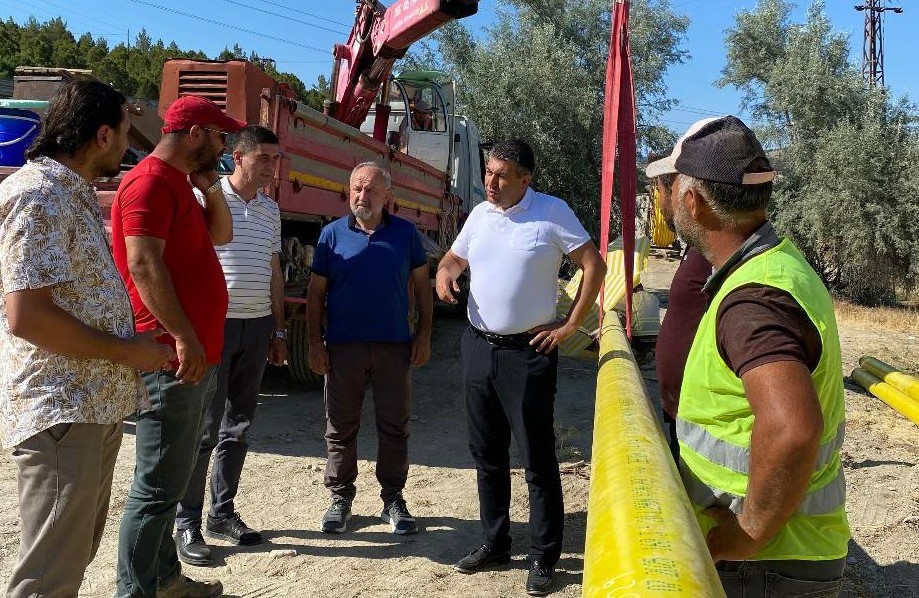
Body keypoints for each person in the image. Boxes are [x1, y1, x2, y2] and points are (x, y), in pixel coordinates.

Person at [646, 116, 849, 596]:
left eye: (670, 186)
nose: (666, 198)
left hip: (767, 565)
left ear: (691, 201)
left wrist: (749, 531)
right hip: (784, 558)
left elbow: (792, 428)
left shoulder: (753, 298)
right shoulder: (776, 264)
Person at [0, 80, 174, 598]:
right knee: (48, 574)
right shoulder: (39, 195)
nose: (127, 144)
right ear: (101, 136)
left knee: (68, 562)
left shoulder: (64, 193)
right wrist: (131, 352)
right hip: (61, 410)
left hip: (88, 407)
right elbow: (27, 315)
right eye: (124, 132)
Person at [436, 139, 606, 597]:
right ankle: (495, 543)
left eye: (501, 176)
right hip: (477, 348)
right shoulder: (480, 214)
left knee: (536, 459)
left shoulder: (551, 212)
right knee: (486, 455)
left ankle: (544, 557)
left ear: (525, 180)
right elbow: (455, 257)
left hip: (527, 353)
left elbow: (594, 264)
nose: (490, 183)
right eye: (488, 172)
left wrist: (571, 324)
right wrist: (445, 273)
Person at [111, 95, 245, 598]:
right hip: (171, 357)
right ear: (193, 133)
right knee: (154, 487)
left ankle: (163, 580)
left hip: (191, 354)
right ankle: (137, 590)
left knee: (170, 479)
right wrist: (184, 337)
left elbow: (223, 235)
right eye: (219, 135)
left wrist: (210, 187)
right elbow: (143, 265)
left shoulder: (180, 184)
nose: (224, 144)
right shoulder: (148, 182)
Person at [174, 125, 285, 565]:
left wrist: (277, 330)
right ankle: (188, 522)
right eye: (265, 160)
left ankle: (222, 513)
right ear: (238, 158)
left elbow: (274, 271)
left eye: (275, 161)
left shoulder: (271, 211)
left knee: (238, 426)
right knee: (204, 430)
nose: (271, 169)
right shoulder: (207, 200)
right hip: (215, 327)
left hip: (256, 328)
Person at [307, 161, 432, 536]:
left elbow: (423, 290)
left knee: (394, 426)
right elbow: (316, 295)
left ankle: (393, 499)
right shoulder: (331, 235)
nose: (362, 196)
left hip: (393, 346)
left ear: (387, 196)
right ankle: (340, 500)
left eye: (371, 190)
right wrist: (315, 342)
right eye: (357, 189)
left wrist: (424, 335)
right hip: (343, 347)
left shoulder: (406, 235)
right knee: (341, 427)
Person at [647, 152, 711, 461]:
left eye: (660, 192)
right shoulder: (698, 251)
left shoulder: (715, 257)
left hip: (703, 422)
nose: (659, 204)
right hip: (684, 411)